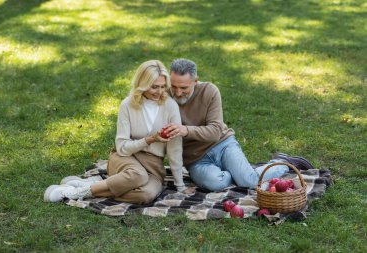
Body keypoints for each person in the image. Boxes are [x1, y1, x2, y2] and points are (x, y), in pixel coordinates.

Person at [44, 60, 195, 204]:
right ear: (142, 85)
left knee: (145, 195)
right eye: (154, 87)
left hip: (153, 167)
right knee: (137, 175)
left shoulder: (170, 106)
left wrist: (180, 185)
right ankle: (76, 193)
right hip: (125, 158)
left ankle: (96, 185)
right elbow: (122, 147)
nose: (160, 92)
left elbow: (175, 148)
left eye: (163, 86)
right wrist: (149, 140)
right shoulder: (127, 105)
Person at [163, 58, 315, 192]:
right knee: (216, 183)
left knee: (249, 181)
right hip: (195, 159)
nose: (177, 92)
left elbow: (215, 131)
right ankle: (235, 172)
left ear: (195, 81)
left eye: (184, 88)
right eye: (174, 86)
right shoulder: (163, 97)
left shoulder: (209, 91)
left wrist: (185, 130)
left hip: (222, 145)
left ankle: (283, 162)